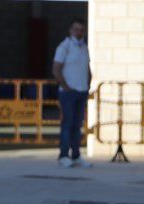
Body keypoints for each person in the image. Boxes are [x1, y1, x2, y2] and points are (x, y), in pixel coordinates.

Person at [53, 18, 92, 168]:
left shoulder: (84, 47)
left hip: (81, 91)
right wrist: (66, 86)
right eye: (76, 29)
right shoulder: (64, 47)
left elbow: (87, 68)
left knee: (77, 125)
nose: (79, 32)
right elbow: (56, 69)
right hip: (68, 93)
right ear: (70, 30)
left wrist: (87, 84)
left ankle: (76, 156)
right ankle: (63, 155)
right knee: (67, 124)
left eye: (81, 29)